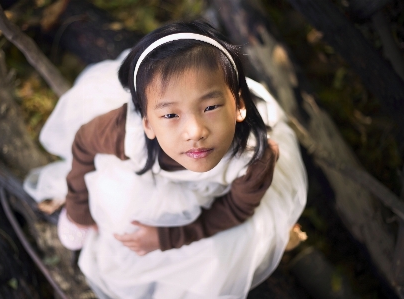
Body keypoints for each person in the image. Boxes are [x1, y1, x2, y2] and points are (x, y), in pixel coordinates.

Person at [24, 20, 307, 299]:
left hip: (216, 190)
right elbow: (83, 146)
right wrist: (78, 209)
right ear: (147, 123)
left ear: (240, 106)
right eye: (170, 115)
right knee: (117, 201)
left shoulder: (253, 159)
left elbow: (236, 209)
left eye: (210, 107)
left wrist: (167, 238)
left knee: (214, 260)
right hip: (152, 169)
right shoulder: (126, 132)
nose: (195, 132)